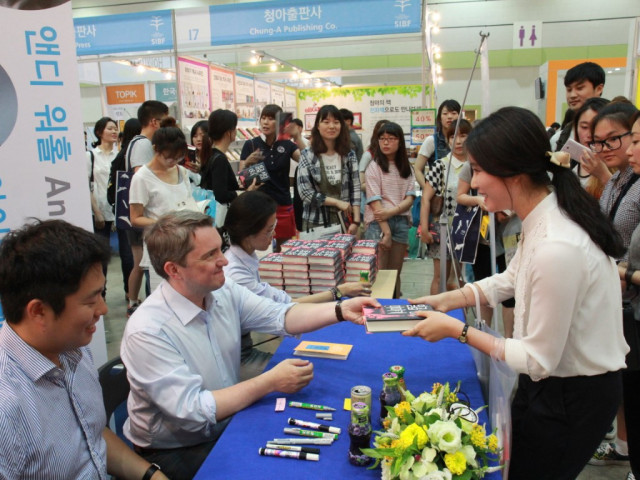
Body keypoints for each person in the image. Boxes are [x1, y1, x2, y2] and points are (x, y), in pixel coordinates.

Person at [403, 106, 627, 480]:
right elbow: (511, 278)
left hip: (572, 395)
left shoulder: (558, 245)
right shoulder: (544, 216)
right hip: (549, 385)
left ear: (514, 172)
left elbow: (538, 359)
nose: (472, 184)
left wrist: (456, 330)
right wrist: (451, 299)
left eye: (478, 170)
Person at [120, 210, 379, 479]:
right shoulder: (148, 331)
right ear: (173, 270)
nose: (223, 261)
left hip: (225, 419)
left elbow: (281, 315)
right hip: (175, 449)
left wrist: (341, 309)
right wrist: (270, 381)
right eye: (209, 256)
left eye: (219, 249)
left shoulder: (222, 290)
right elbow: (194, 410)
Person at [0, 219, 168, 480]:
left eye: (102, 294)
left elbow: (91, 434)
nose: (102, 310)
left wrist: (151, 476)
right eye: (91, 301)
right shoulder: (7, 408)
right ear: (39, 311)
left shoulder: (72, 350)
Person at [221, 191, 372, 379]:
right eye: (269, 230)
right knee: (312, 374)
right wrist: (338, 294)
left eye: (273, 226)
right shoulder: (235, 273)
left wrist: (338, 296)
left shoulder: (245, 256)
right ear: (248, 232)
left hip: (245, 344)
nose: (274, 234)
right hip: (239, 358)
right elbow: (284, 309)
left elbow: (283, 303)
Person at [585, 102, 639, 472]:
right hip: (617, 297)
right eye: (597, 141)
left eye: (617, 140)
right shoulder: (617, 178)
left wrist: (625, 273)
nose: (606, 148)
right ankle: (623, 444)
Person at [455, 122, 515, 333]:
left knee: (512, 293)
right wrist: (481, 201)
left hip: (510, 235)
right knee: (484, 288)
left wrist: (509, 208)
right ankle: (484, 334)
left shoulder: (509, 165)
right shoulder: (468, 167)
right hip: (482, 236)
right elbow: (461, 195)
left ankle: (510, 339)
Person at [129, 117, 199, 291]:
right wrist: (165, 221)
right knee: (163, 295)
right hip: (160, 246)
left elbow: (188, 200)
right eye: (169, 158)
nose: (173, 162)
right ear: (155, 150)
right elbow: (135, 218)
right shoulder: (142, 178)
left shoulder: (181, 171)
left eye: (178, 157)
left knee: (187, 292)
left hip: (186, 243)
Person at [125, 100, 169, 316]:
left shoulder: (136, 141)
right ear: (154, 121)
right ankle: (133, 302)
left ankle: (133, 301)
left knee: (141, 264)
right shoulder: (143, 144)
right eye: (165, 121)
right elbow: (141, 177)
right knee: (142, 264)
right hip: (142, 215)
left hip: (142, 213)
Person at [363, 122, 416, 298]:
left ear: (399, 141)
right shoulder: (374, 166)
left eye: (391, 139)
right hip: (378, 224)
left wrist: (392, 212)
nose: (386, 143)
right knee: (379, 272)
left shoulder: (406, 167)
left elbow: (410, 198)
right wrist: (385, 231)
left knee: (395, 272)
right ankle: (376, 312)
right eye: (382, 139)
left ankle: (395, 306)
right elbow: (374, 201)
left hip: (400, 222)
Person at [419, 119, 472, 295]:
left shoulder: (475, 165)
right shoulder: (439, 165)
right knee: (440, 277)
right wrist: (424, 229)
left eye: (463, 135)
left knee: (461, 277)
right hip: (442, 229)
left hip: (467, 229)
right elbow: (426, 199)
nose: (458, 141)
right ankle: (436, 314)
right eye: (453, 136)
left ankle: (459, 316)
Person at [240, 104, 300, 251]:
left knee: (283, 251)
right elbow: (241, 178)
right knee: (259, 249)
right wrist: (247, 163)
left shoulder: (287, 144)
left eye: (271, 119)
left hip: (282, 204)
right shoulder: (251, 144)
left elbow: (307, 160)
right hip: (258, 207)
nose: (265, 122)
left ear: (280, 122)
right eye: (263, 118)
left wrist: (297, 136)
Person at [297, 104, 361, 235]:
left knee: (344, 255)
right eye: (326, 122)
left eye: (336, 122)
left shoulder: (349, 154)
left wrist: (356, 221)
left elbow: (355, 188)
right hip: (315, 222)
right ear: (318, 126)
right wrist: (336, 202)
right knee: (317, 256)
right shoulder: (308, 155)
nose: (332, 126)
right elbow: (305, 193)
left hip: (344, 221)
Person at [200, 109, 256, 227]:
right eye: (234, 128)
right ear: (228, 132)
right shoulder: (220, 159)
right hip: (220, 218)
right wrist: (244, 193)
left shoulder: (210, 154)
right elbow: (221, 195)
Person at [108, 118, 140, 304]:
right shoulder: (133, 154)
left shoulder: (121, 154)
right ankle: (132, 297)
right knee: (134, 257)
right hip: (132, 210)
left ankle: (131, 297)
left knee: (131, 257)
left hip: (122, 209)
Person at [87, 116, 118, 294]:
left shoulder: (119, 155)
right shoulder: (91, 155)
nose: (114, 131)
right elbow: (88, 185)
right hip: (99, 211)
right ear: (99, 132)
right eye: (110, 129)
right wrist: (97, 212)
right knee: (101, 258)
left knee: (126, 257)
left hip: (116, 211)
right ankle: (101, 293)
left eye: (115, 129)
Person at [551, 61, 605, 151]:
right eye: (569, 89)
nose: (572, 95)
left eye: (579, 88)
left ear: (599, 89)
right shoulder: (559, 138)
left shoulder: (614, 131)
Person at [414, 99, 461, 189]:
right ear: (439, 117)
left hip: (461, 195)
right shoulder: (432, 141)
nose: (450, 117)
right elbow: (417, 169)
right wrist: (428, 191)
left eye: (454, 113)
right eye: (445, 114)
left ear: (460, 116)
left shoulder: (466, 141)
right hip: (438, 196)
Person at [570, 97, 611, 198]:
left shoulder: (619, 167)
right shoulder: (570, 165)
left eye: (595, 127)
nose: (589, 134)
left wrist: (604, 176)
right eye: (584, 127)